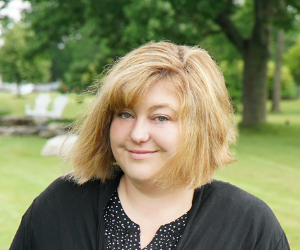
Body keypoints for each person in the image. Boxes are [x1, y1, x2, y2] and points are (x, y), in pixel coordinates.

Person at [10, 41, 289, 250]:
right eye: (125, 114)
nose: (138, 133)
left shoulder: (249, 226)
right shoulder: (59, 206)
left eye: (161, 117)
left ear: (201, 128)